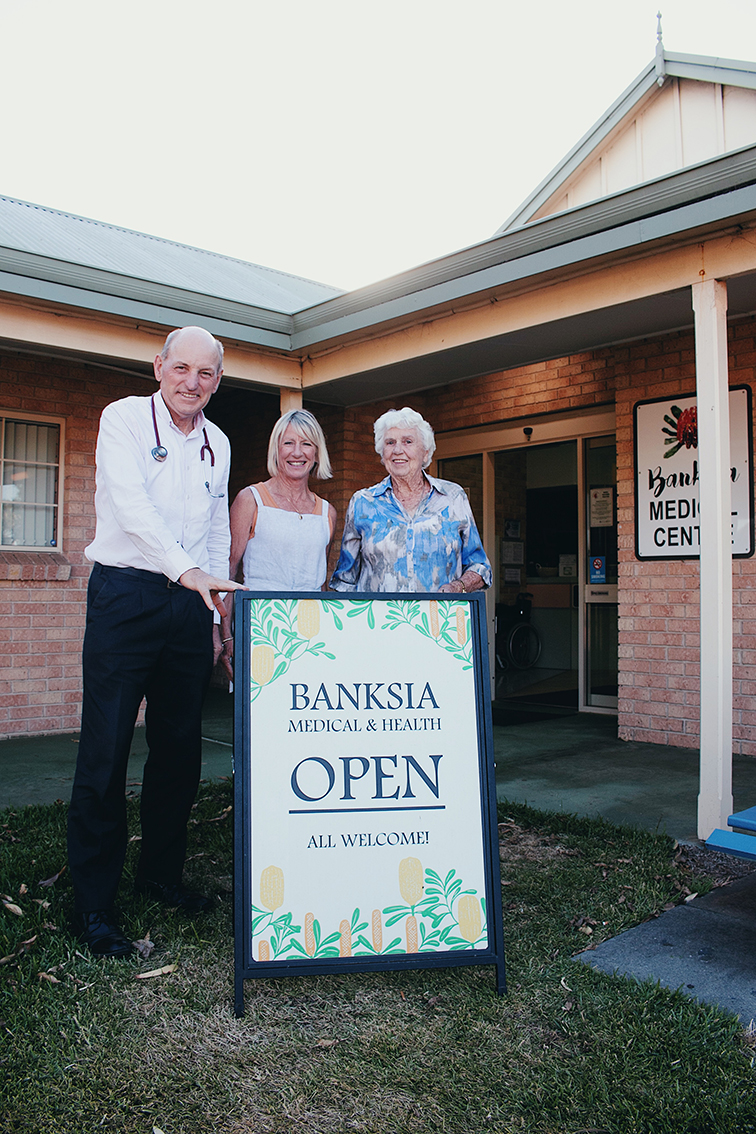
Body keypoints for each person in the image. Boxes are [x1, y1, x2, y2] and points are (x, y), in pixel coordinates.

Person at [67, 326, 244, 958]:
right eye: (182, 368)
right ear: (159, 367)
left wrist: (217, 610)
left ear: (218, 381)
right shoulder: (122, 420)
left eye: (206, 373)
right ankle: (94, 905)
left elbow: (218, 530)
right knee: (106, 749)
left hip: (191, 604)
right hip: (126, 595)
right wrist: (185, 570)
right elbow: (132, 508)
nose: (192, 382)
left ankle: (162, 876)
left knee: (178, 749)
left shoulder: (217, 442)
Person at [219, 410, 336, 670]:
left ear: (317, 454)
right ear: (276, 449)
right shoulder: (250, 499)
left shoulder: (327, 512)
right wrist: (226, 635)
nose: (297, 452)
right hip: (260, 628)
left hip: (312, 634)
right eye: (289, 443)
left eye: (307, 444)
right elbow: (228, 572)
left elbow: (321, 583)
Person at [330, 406, 491, 593]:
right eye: (390, 442)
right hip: (379, 621)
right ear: (382, 453)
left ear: (426, 452)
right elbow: (344, 581)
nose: (398, 450)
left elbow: (480, 568)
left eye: (408, 441)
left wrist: (458, 586)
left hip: (437, 619)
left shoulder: (453, 498)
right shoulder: (363, 503)